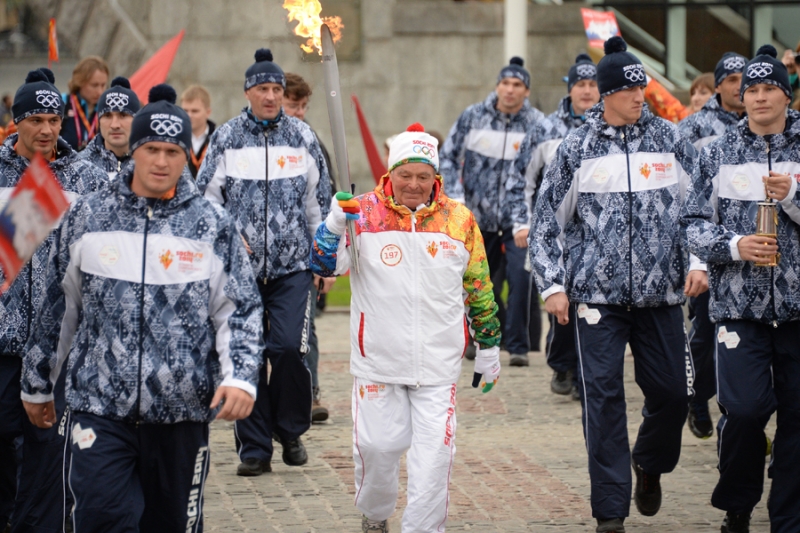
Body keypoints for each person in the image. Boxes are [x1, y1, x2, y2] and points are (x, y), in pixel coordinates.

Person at [21, 84, 262, 533]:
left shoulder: (210, 225)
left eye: (172, 151)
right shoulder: (89, 217)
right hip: (99, 408)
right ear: (135, 150)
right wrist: (38, 383)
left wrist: (241, 377)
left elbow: (239, 310)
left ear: (184, 155)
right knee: (101, 519)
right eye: (151, 148)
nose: (161, 161)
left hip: (181, 412)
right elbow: (60, 305)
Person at [530, 37, 704, 533]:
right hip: (596, 300)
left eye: (642, 88)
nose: (639, 97)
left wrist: (698, 261)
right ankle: (610, 510)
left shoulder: (669, 141)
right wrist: (552, 286)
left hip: (663, 295)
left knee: (673, 395)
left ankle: (649, 464)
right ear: (605, 94)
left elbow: (700, 210)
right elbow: (546, 223)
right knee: (601, 399)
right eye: (629, 90)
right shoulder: (577, 148)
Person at [311, 123, 502, 533]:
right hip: (378, 360)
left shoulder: (459, 221)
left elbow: (480, 287)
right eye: (405, 175)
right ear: (390, 172)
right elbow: (323, 267)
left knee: (434, 461)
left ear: (436, 177)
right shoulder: (362, 213)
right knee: (378, 448)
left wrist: (489, 346)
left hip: (438, 365)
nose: (414, 185)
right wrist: (332, 225)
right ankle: (376, 512)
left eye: (423, 176)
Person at [196, 49, 332, 476]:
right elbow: (206, 201)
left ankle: (289, 428)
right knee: (247, 354)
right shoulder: (228, 138)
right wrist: (228, 236)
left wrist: (324, 259)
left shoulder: (303, 138)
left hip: (293, 267)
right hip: (240, 271)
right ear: (248, 91)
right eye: (263, 89)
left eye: (276, 89)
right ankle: (255, 447)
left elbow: (320, 205)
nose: (271, 96)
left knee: (290, 348)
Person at [682, 44, 800, 533]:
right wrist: (734, 246)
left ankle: (788, 519)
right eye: (751, 89)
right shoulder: (718, 152)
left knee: (797, 421)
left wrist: (792, 197)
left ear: (787, 96)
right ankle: (738, 502)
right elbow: (690, 224)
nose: (759, 98)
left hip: (796, 312)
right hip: (737, 309)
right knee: (746, 412)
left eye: (769, 88)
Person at [0, 68, 106, 532]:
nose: (46, 130)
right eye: (36, 120)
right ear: (15, 121)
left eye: (54, 120)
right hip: (3, 343)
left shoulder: (87, 177)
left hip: (62, 348)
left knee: (47, 456)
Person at [441, 56, 544, 367]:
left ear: (526, 91)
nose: (509, 90)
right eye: (505, 83)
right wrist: (457, 198)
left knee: (521, 279)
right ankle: (481, 337)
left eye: (517, 85)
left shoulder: (538, 124)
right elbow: (447, 157)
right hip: (477, 217)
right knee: (478, 280)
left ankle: (518, 346)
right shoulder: (473, 117)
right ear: (497, 86)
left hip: (519, 220)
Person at [511, 53, 600, 401]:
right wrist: (524, 223)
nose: (588, 90)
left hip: (594, 236)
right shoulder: (545, 129)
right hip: (555, 235)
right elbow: (522, 181)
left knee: (589, 305)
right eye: (581, 84)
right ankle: (562, 363)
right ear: (570, 88)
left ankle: (583, 374)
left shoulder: (607, 127)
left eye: (594, 84)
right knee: (559, 303)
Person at [677, 51, 748, 440]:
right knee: (704, 331)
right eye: (733, 79)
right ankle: (697, 397)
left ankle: (734, 409)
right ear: (718, 84)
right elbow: (685, 198)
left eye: (745, 78)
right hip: (709, 247)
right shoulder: (694, 128)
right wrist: (695, 257)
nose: (741, 86)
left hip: (751, 251)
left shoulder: (761, 124)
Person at [283, 72, 335, 423]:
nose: (299, 112)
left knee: (306, 329)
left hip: (302, 256)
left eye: (303, 106)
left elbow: (325, 200)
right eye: (293, 105)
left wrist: (325, 257)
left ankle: (311, 390)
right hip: (260, 259)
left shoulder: (311, 142)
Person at [78, 76, 141, 179]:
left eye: (123, 115)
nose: (114, 125)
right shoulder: (79, 166)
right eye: (107, 116)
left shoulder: (151, 165)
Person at [60, 56, 110, 151]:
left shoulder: (108, 111)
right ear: (80, 82)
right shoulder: (62, 103)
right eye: (94, 85)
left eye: (103, 85)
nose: (100, 91)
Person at [180, 85, 216, 178]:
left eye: (195, 111)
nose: (189, 115)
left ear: (208, 112)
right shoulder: (175, 139)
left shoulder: (220, 139)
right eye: (185, 111)